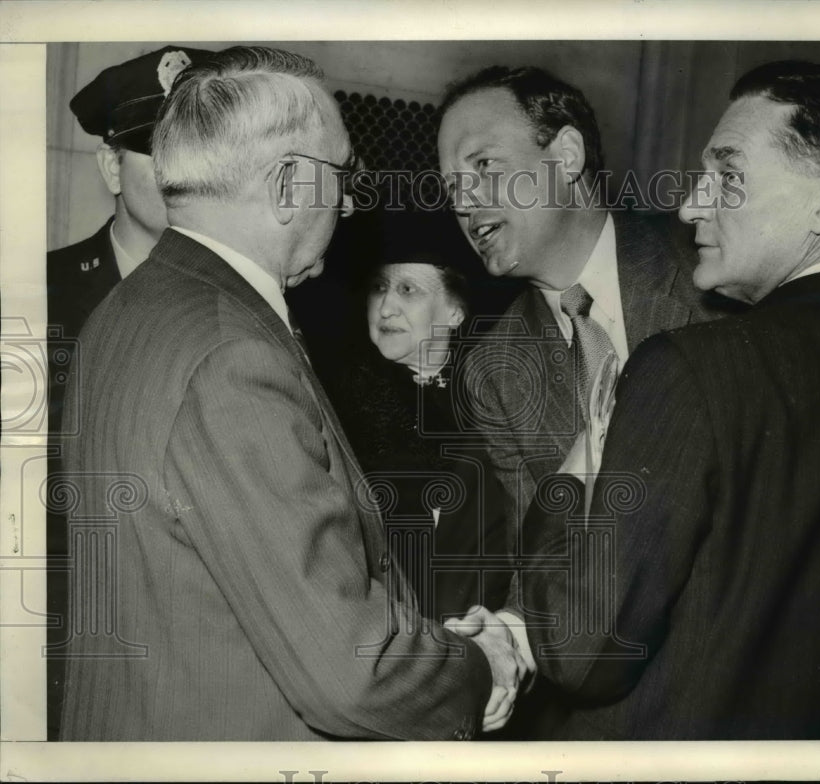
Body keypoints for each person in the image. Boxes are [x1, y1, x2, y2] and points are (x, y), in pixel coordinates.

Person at [59, 45, 525, 741]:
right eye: (341, 171)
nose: (347, 194)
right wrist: (482, 666)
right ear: (285, 186)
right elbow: (350, 672)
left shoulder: (130, 309)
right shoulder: (231, 355)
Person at [516, 60, 820, 739]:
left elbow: (584, 656)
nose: (690, 205)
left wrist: (569, 486)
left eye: (727, 177)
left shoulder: (690, 370)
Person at [436, 64, 731, 737]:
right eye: (453, 185)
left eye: (484, 165)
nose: (465, 201)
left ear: (565, 155)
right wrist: (505, 645)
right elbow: (539, 555)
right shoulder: (493, 368)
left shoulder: (710, 270)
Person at [44, 44, 210, 739]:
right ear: (111, 166)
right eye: (158, 151)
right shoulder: (42, 293)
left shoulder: (261, 299)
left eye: (200, 149)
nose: (183, 175)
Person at [336, 211, 511, 623]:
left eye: (408, 290)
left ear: (454, 312)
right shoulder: (342, 400)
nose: (386, 307)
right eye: (379, 287)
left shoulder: (497, 397)